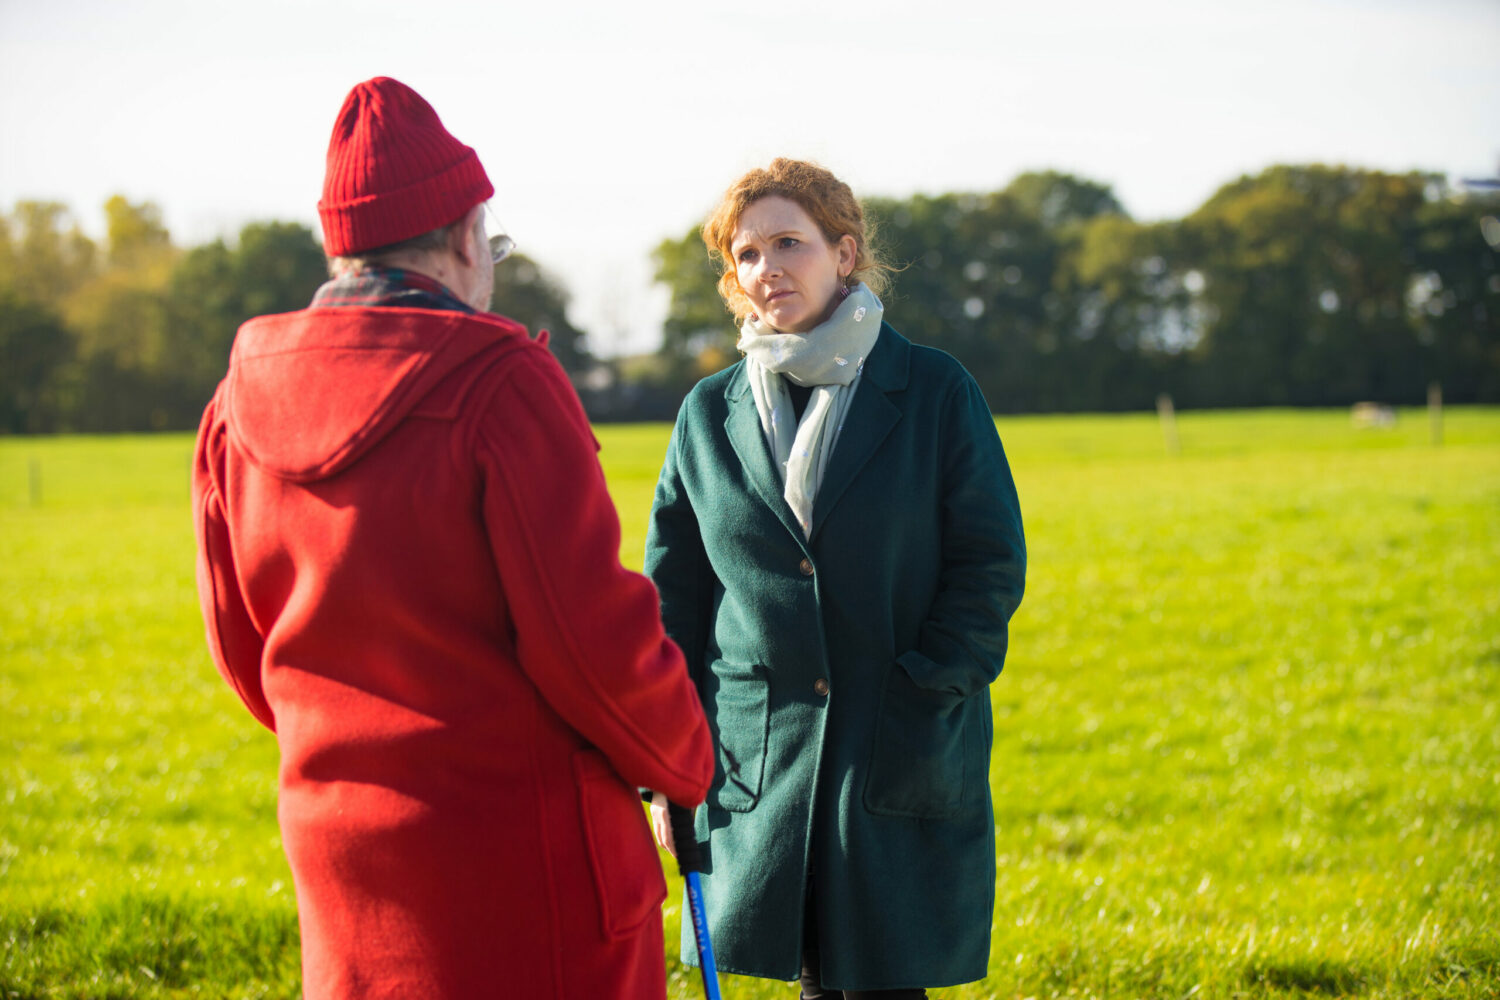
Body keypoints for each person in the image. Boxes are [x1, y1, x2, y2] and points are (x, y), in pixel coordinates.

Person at [191, 76, 714, 1000]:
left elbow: (243, 651)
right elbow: (591, 644)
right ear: (468, 236)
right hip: (528, 869)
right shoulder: (499, 379)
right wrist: (686, 760)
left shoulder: (235, 404)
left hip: (343, 857)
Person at [644, 159, 1026, 999]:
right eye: (746, 254)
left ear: (844, 253)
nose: (767, 268)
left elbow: (989, 562)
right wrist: (662, 764)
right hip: (760, 748)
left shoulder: (933, 390)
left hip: (895, 732)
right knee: (815, 976)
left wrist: (935, 682)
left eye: (790, 242)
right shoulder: (708, 414)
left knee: (888, 980)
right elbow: (672, 600)